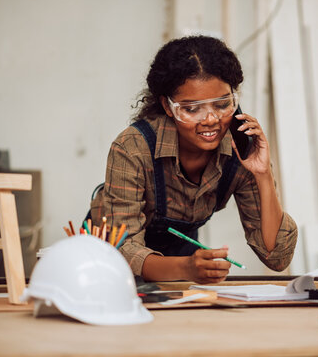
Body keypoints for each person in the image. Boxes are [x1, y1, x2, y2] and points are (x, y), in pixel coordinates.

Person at [91, 35, 297, 284]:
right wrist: (187, 269)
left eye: (222, 105)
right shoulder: (133, 148)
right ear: (168, 107)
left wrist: (263, 175)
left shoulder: (241, 151)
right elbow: (123, 250)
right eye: (191, 109)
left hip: (177, 268)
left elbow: (277, 258)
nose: (210, 119)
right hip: (108, 268)